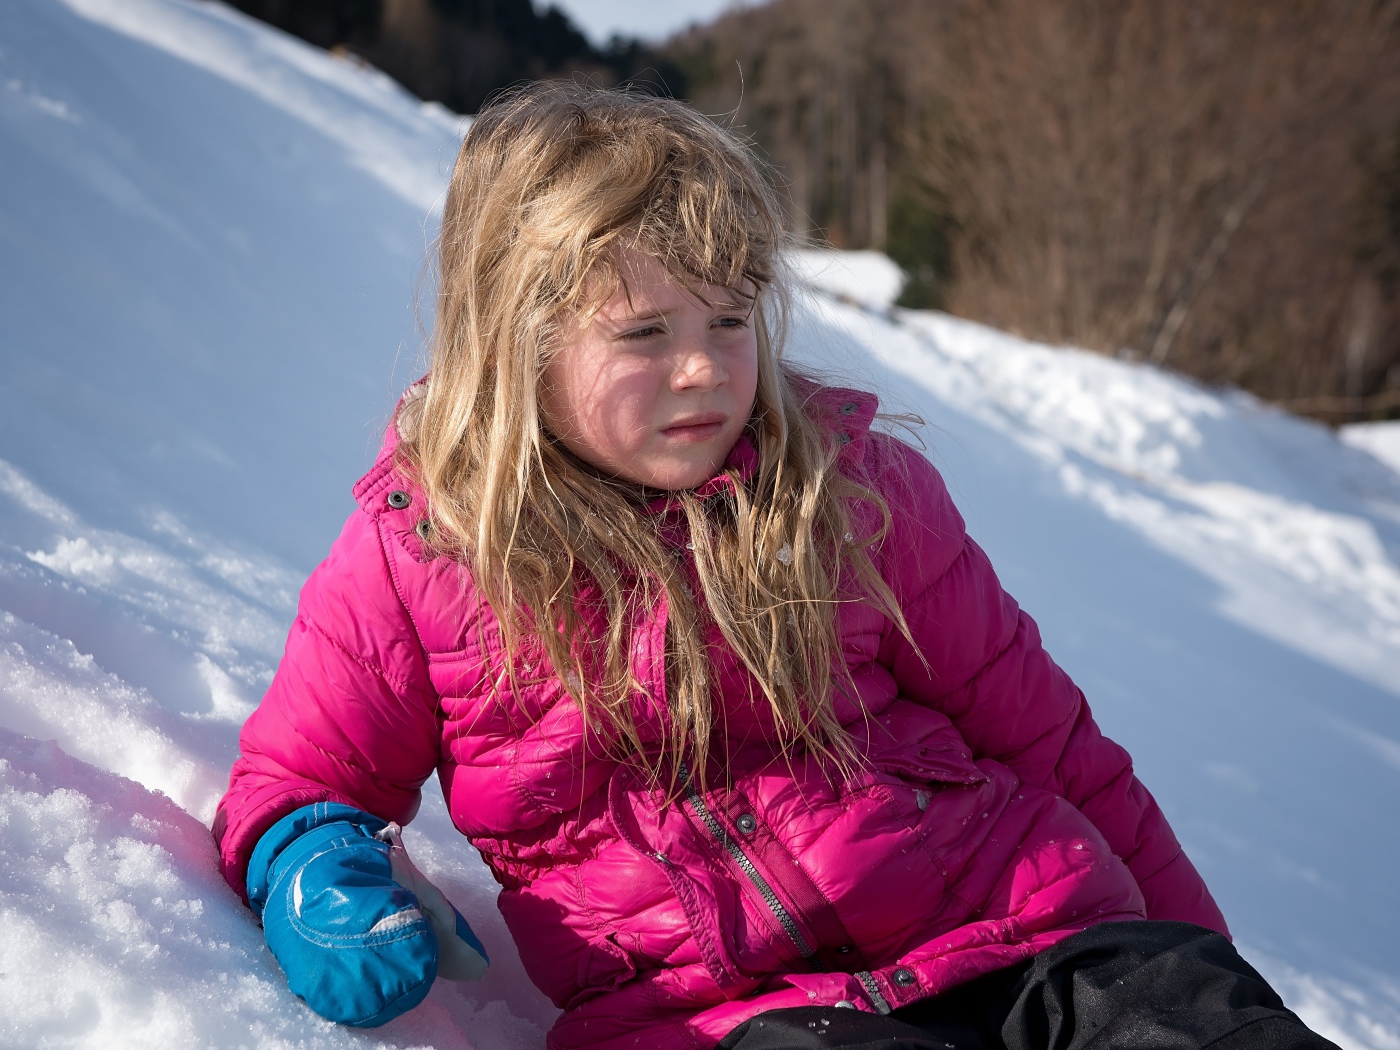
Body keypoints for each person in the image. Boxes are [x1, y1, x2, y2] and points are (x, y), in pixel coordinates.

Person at [213, 84, 1335, 1050]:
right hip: (721, 1018)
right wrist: (313, 867)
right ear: (518, 340)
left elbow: (1046, 739)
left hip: (1029, 931)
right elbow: (301, 777)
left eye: (730, 317)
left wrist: (1197, 955)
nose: (702, 366)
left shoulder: (851, 495)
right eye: (643, 334)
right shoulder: (428, 555)